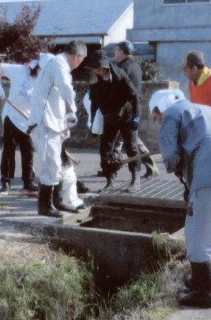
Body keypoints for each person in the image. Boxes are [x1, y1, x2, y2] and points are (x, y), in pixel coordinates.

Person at [149, 88, 211, 308]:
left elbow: (170, 152)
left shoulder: (173, 112)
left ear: (159, 108)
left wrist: (178, 173)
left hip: (209, 174)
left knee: (197, 232)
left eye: (156, 117)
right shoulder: (205, 111)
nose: (158, 121)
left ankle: (203, 294)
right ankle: (199, 281)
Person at [26, 40, 87, 217]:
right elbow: (66, 88)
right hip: (45, 123)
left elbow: (58, 97)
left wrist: (65, 121)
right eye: (81, 60)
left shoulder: (55, 64)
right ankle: (45, 207)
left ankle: (57, 201)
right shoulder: (59, 64)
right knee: (51, 165)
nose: (79, 64)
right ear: (77, 57)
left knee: (56, 165)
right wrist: (73, 110)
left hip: (52, 123)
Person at [85, 53, 142, 192]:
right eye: (93, 70)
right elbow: (94, 104)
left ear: (104, 67)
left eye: (96, 69)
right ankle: (110, 180)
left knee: (131, 147)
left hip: (126, 115)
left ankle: (136, 180)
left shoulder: (120, 75)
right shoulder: (95, 82)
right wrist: (92, 122)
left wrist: (136, 117)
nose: (94, 72)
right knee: (105, 149)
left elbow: (134, 96)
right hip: (108, 116)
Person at [0, 57, 43, 195]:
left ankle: (28, 183)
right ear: (35, 68)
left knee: (28, 152)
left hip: (29, 120)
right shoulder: (20, 71)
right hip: (12, 117)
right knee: (8, 151)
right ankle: (6, 181)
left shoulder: (45, 80)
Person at [112, 40, 159, 179]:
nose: (114, 52)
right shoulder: (134, 66)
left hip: (126, 110)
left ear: (122, 51)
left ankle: (112, 168)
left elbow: (121, 89)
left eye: (116, 49)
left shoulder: (124, 67)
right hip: (131, 109)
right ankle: (150, 166)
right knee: (129, 141)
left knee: (127, 141)